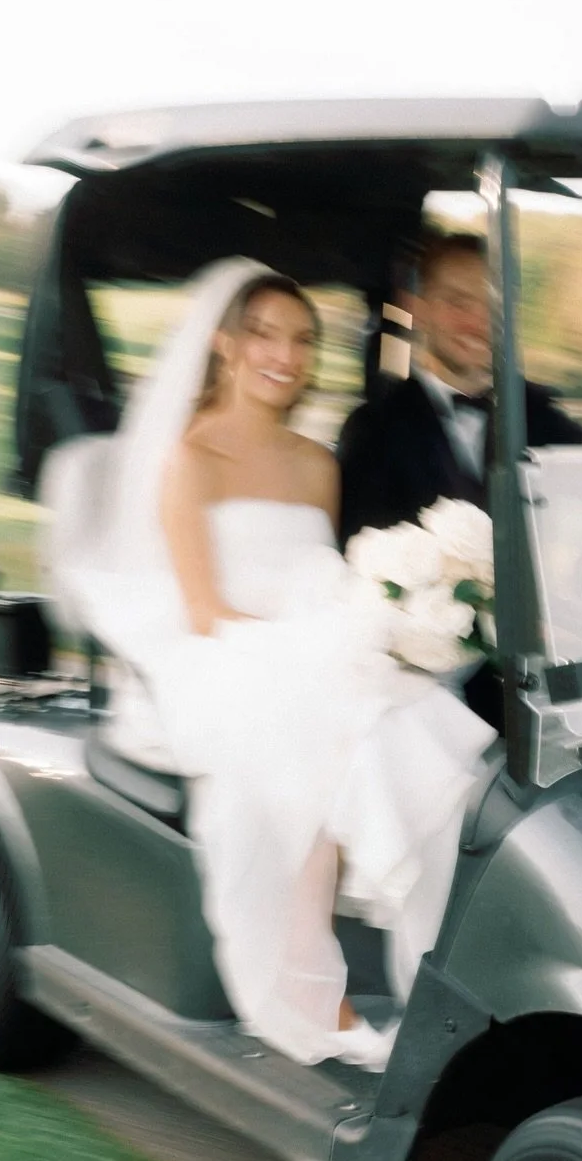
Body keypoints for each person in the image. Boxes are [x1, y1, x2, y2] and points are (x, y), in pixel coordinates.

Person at [49, 257, 493, 1072]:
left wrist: (373, 622)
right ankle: (305, 976)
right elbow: (204, 612)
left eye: (301, 339)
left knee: (422, 728)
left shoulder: (315, 462)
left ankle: (434, 975)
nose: (283, 355)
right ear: (223, 343)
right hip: (217, 658)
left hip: (312, 645)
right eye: (263, 334)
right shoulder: (189, 460)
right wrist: (333, 641)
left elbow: (323, 578)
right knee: (344, 718)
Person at [335, 231, 582, 545]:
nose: (479, 322)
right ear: (417, 309)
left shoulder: (539, 416)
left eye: (494, 305)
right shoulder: (372, 429)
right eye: (458, 302)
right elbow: (360, 551)